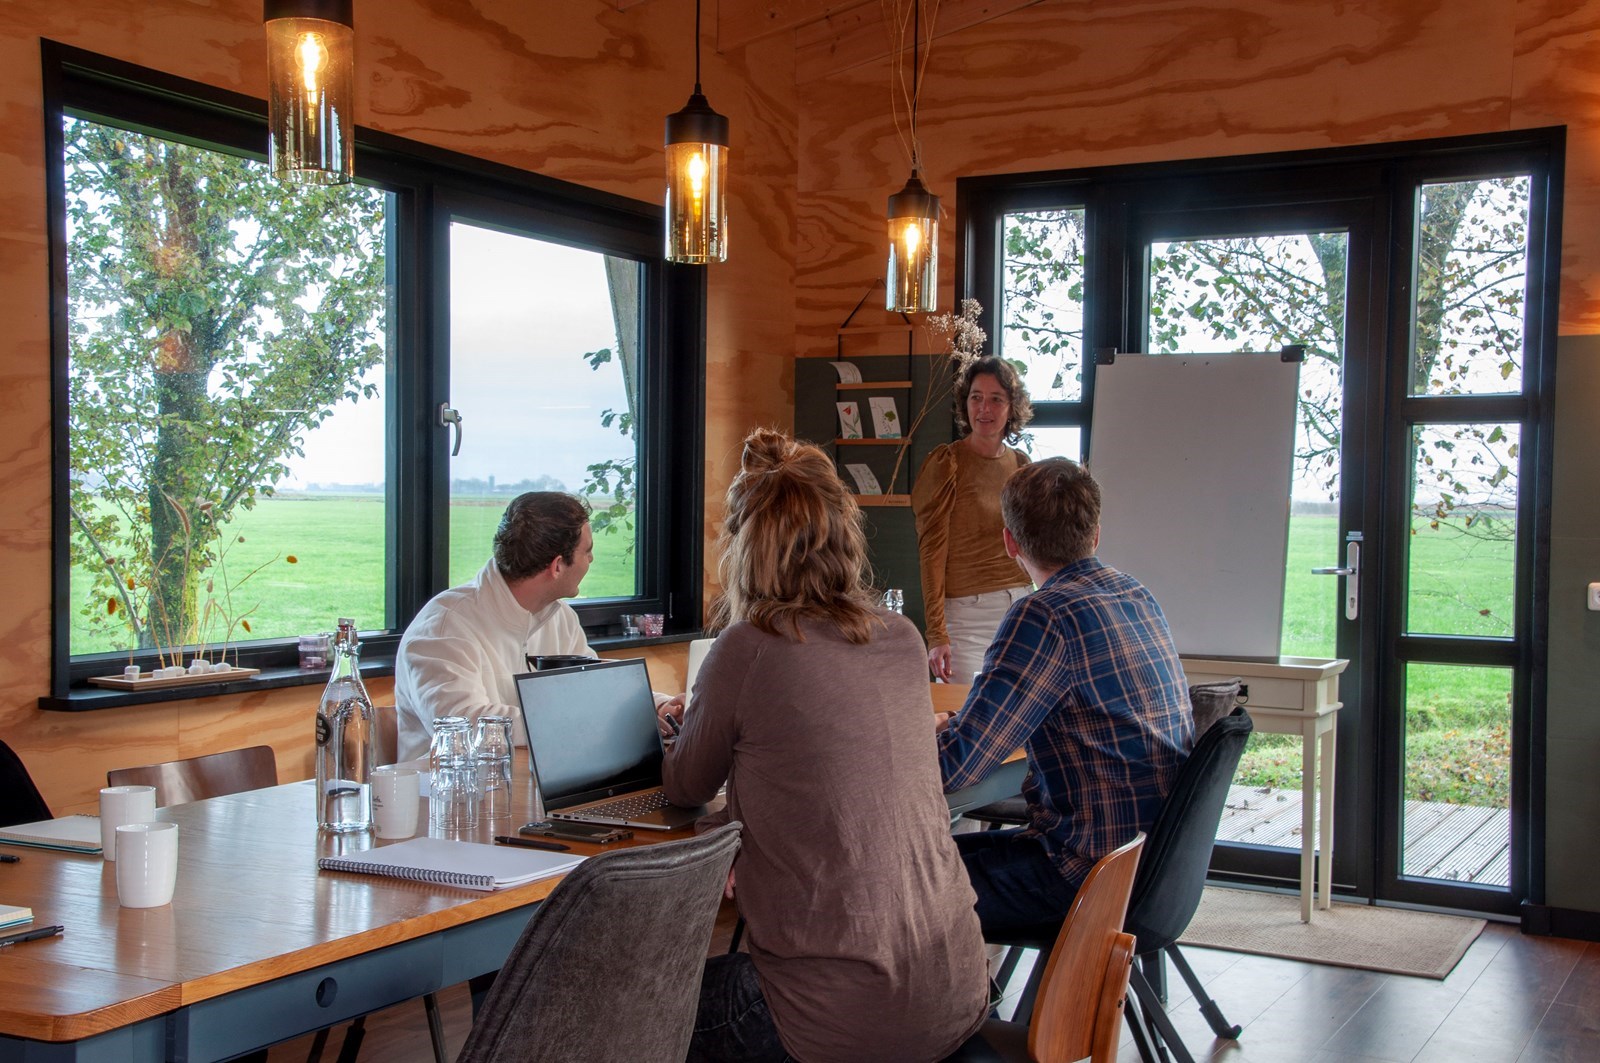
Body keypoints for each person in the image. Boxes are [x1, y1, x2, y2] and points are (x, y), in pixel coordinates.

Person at [662, 429, 988, 1063]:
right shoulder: (900, 638)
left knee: (624, 1011)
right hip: (954, 987)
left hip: (831, 1021)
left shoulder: (748, 647)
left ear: (746, 549)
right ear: (846, 533)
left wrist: (679, 728)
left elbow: (684, 788)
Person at [935, 458, 1193, 938]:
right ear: (1094, 533)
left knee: (892, 881)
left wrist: (908, 739)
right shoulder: (1136, 594)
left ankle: (953, 1008)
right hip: (1153, 868)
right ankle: (975, 995)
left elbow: (955, 768)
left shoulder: (1044, 616)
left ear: (1010, 541)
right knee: (924, 865)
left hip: (1086, 877)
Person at [395, 492, 633, 761]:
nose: (591, 560)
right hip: (451, 798)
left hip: (539, 787)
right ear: (557, 566)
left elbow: (594, 690)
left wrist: (655, 707)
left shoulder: (561, 617)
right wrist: (579, 720)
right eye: (587, 551)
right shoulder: (444, 626)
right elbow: (463, 727)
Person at [911, 355, 1034, 682]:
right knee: (964, 719)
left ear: (1012, 407)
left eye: (996, 400)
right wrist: (937, 633)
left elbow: (1032, 546)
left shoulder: (1022, 464)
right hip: (966, 617)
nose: (985, 409)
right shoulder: (947, 463)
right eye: (976, 398)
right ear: (964, 403)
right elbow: (931, 552)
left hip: (1021, 607)